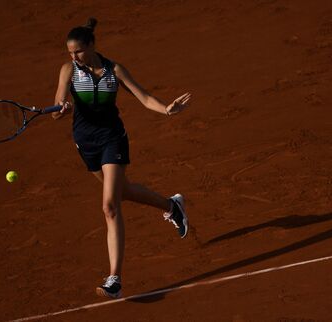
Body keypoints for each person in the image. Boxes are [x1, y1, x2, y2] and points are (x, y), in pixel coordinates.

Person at [52, 17, 191, 299]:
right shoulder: (68, 70)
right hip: (85, 143)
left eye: (78, 50)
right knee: (122, 191)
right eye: (70, 52)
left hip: (112, 140)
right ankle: (172, 206)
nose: (74, 56)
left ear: (91, 45)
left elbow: (144, 96)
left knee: (109, 206)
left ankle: (114, 278)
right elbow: (56, 110)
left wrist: (166, 109)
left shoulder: (114, 70)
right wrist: (61, 108)